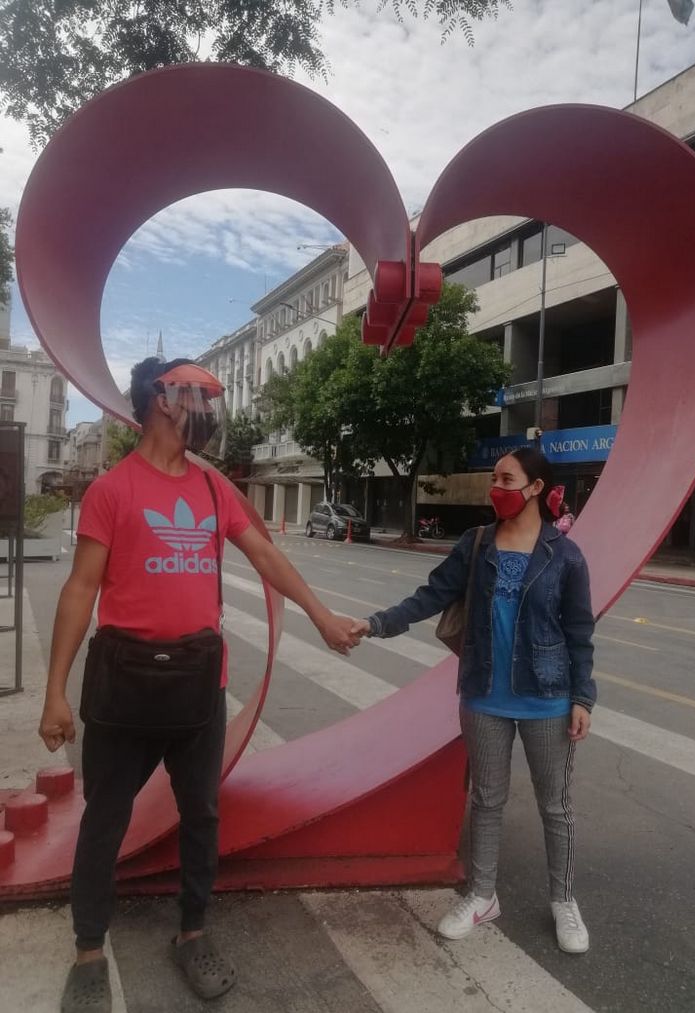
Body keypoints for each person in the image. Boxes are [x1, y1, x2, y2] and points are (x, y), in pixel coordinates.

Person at [39, 357, 362, 1013]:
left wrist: (321, 615)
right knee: (105, 818)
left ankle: (192, 933)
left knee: (201, 815)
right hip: (123, 687)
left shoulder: (213, 488)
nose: (209, 412)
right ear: (163, 400)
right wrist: (54, 692)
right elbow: (79, 589)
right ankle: (89, 949)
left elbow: (265, 553)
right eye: (201, 398)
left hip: (196, 686)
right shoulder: (113, 490)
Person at [351, 447, 595, 953]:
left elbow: (578, 632)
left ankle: (564, 900)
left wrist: (582, 698)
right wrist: (376, 624)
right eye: (494, 479)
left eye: (507, 479)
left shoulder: (566, 555)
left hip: (548, 697)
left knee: (556, 806)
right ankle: (483, 895)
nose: (496, 488)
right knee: (486, 800)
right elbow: (431, 595)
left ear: (535, 488)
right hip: (483, 694)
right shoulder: (477, 542)